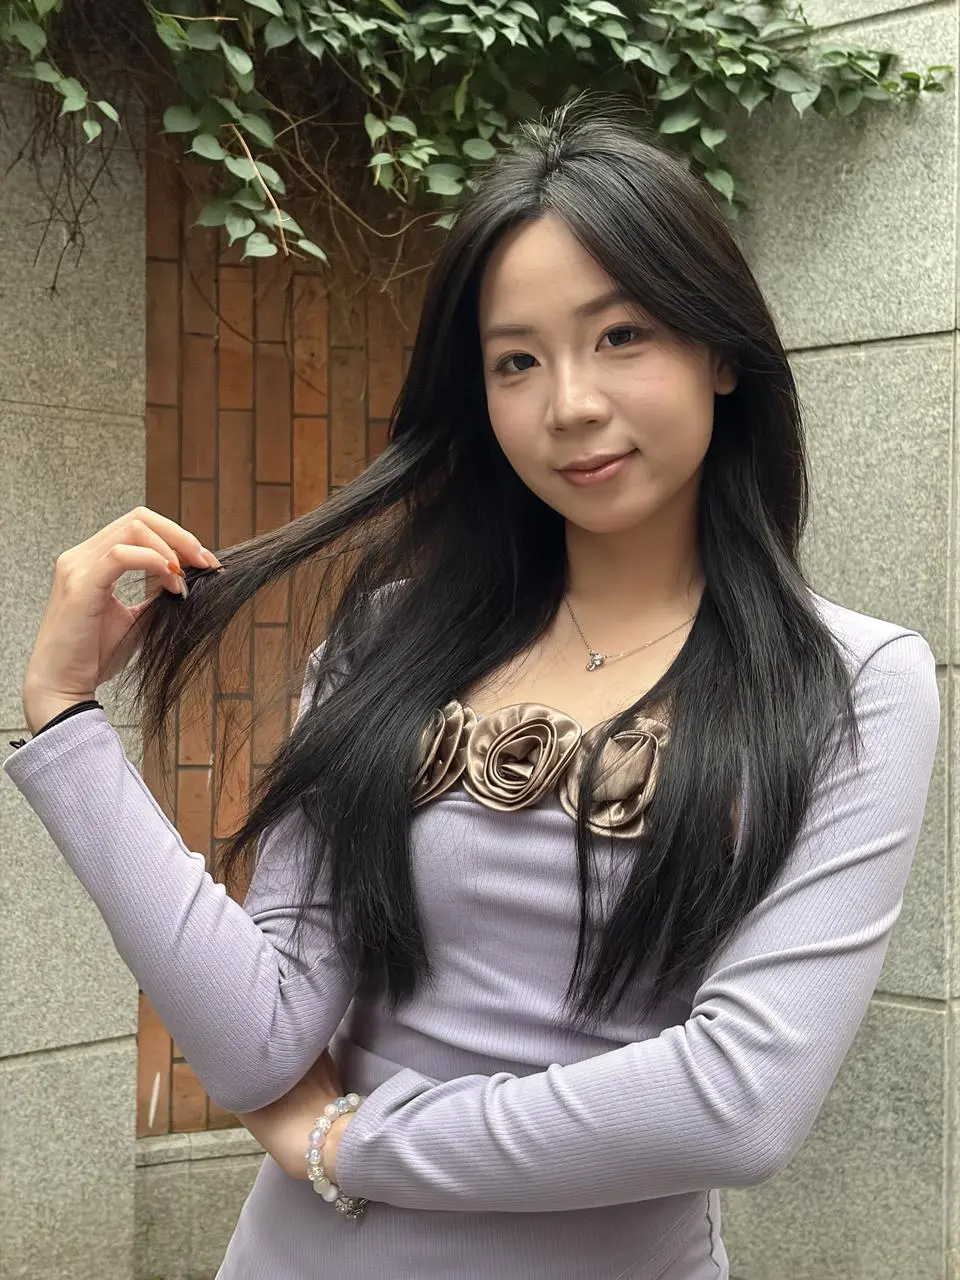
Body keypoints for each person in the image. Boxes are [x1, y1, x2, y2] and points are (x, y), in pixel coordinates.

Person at [5, 95, 940, 1280]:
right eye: (516, 361)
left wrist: (353, 1142)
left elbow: (736, 1103)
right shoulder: (389, 641)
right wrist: (67, 720)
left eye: (621, 334)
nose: (571, 403)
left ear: (720, 351)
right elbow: (261, 1034)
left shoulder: (853, 684)